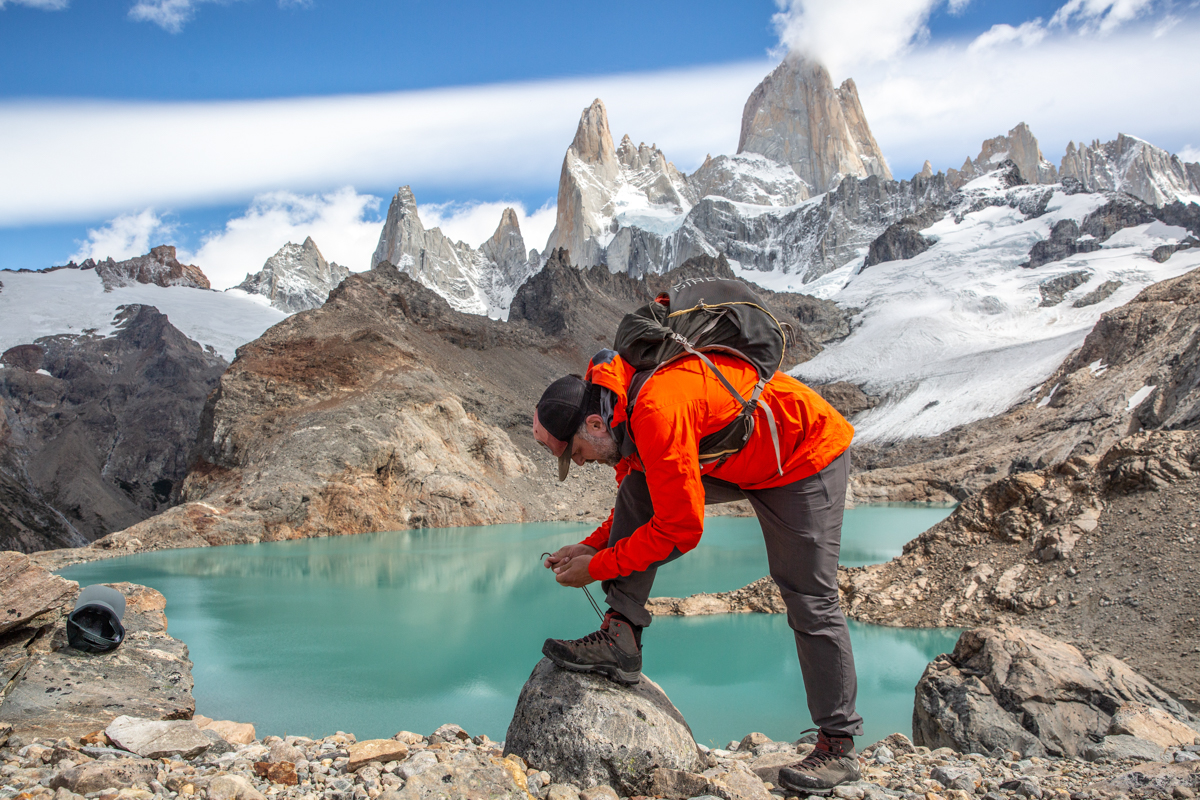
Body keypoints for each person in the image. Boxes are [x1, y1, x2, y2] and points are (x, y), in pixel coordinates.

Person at [533, 347, 863, 793]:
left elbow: (680, 528)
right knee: (637, 483)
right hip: (742, 458)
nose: (582, 463)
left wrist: (598, 567)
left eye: (576, 453)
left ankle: (837, 746)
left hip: (804, 456)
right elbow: (651, 494)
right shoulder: (619, 411)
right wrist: (590, 546)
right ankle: (621, 637)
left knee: (808, 596)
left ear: (593, 424)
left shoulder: (653, 411)